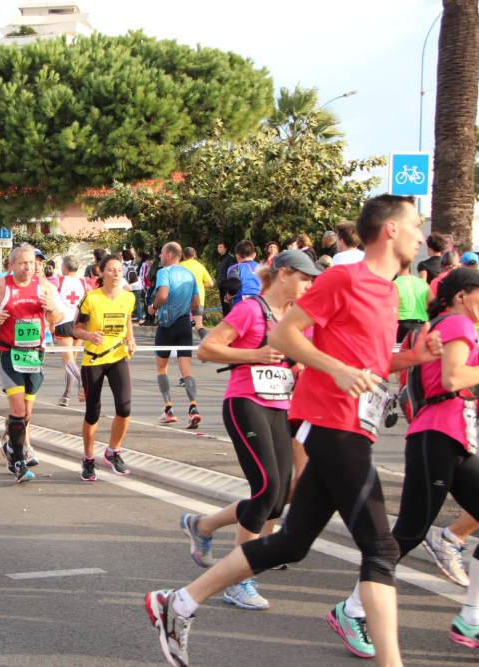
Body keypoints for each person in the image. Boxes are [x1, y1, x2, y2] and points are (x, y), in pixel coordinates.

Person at [145, 194, 439, 667]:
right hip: (329, 422)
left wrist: (413, 359)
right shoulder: (345, 278)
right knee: (380, 548)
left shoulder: (387, 291)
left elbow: (371, 362)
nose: (421, 237)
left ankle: (176, 603)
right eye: (415, 226)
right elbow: (284, 336)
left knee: (291, 541)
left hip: (353, 425)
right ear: (390, 230)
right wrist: (336, 370)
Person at [331, 266, 479, 656]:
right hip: (439, 435)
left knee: (411, 531)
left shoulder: (448, 325)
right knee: (409, 532)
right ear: (461, 295)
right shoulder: (457, 325)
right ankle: (353, 608)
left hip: (453, 436)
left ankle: (472, 619)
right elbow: (451, 379)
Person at [184, 250, 319, 611]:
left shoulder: (295, 320)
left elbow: (300, 363)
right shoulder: (249, 309)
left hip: (281, 407)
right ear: (284, 274)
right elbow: (206, 349)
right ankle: (239, 579)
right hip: (245, 403)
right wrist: (254, 356)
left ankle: (204, 526)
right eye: (306, 278)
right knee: (267, 488)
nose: (310, 286)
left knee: (280, 495)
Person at [0, 243, 63, 483]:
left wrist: (51, 308)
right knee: (17, 408)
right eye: (23, 263)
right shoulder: (0, 285)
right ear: (12, 264)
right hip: (8, 352)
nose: (29, 267)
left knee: (26, 413)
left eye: (33, 263)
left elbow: (57, 318)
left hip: (34, 354)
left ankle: (10, 447)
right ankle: (18, 462)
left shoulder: (43, 285)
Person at [71, 254, 137, 482]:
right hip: (93, 360)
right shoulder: (91, 298)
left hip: (118, 356)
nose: (116, 274)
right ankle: (88, 458)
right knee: (93, 411)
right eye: (112, 270)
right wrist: (88, 334)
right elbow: (76, 329)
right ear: (101, 272)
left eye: (119, 270)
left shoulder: (128, 298)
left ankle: (113, 451)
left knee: (125, 407)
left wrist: (131, 339)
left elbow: (128, 321)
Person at [148, 242, 201, 427]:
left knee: (162, 368)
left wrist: (153, 308)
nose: (160, 257)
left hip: (166, 325)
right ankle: (193, 408)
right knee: (186, 370)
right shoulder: (189, 274)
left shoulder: (164, 272)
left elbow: (162, 295)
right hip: (184, 324)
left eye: (162, 253)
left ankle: (168, 409)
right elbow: (196, 303)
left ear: (169, 255)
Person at [54, 255, 89, 407]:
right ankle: (66, 395)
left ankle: (82, 380)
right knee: (73, 360)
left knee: (68, 361)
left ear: (64, 268)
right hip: (79, 323)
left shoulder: (59, 282)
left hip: (63, 321)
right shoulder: (84, 283)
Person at [180, 247, 214, 340]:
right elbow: (210, 283)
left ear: (184, 255)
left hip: (184, 299)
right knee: (199, 324)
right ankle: (205, 342)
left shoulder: (180, 265)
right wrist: (200, 284)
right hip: (198, 298)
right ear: (194, 255)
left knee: (182, 323)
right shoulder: (200, 266)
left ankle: (183, 343)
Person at [394, 263, 432, 344]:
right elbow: (434, 303)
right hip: (422, 327)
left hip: (403, 326)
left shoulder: (395, 284)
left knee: (403, 354)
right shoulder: (423, 283)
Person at [224, 240, 261, 306]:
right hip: (263, 305)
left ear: (237, 256)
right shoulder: (265, 269)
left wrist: (227, 298)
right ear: (254, 255)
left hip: (243, 304)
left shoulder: (235, 268)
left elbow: (233, 286)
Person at [215, 241, 234, 316]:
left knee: (227, 306)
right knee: (224, 306)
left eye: (221, 247)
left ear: (225, 248)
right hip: (221, 285)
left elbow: (232, 272)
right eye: (218, 247)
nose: (219, 249)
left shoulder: (229, 259)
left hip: (226, 285)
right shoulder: (222, 259)